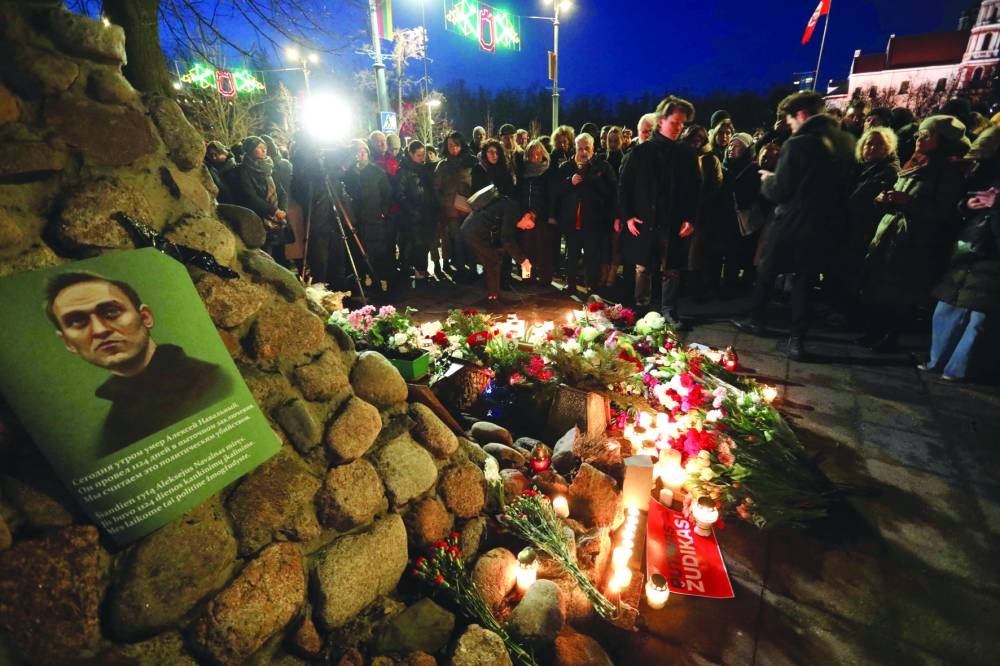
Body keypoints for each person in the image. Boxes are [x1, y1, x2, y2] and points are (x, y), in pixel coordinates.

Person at [45, 272, 231, 455]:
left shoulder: (213, 382)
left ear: (145, 317)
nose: (100, 330)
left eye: (111, 312)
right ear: (68, 342)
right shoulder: (113, 426)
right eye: (77, 321)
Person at [731, 91, 855, 360]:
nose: (790, 127)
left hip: (793, 221)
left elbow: (781, 189)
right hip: (826, 224)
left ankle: (757, 319)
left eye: (789, 122)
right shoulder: (845, 142)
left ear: (801, 115)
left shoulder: (798, 144)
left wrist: (767, 179)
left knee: (767, 269)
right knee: (805, 281)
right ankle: (797, 337)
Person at [859, 115, 968, 352]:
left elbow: (945, 212)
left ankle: (892, 335)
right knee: (881, 285)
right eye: (919, 134)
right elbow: (898, 193)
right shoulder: (915, 163)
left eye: (926, 135)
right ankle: (874, 329)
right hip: (893, 233)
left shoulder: (948, 173)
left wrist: (908, 202)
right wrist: (883, 199)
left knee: (902, 292)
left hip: (917, 240)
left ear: (943, 140)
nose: (919, 139)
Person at [920, 128, 1000, 381]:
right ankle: (937, 360)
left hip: (993, 253)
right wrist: (967, 206)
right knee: (947, 309)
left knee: (978, 318)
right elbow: (961, 202)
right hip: (970, 247)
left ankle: (957, 368)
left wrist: (996, 207)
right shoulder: (987, 169)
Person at [618, 96, 701, 323]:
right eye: (675, 122)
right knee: (642, 268)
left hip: (672, 222)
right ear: (662, 121)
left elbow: (695, 190)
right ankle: (641, 307)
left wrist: (690, 219)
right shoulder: (640, 153)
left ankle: (668, 309)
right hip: (645, 221)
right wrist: (628, 218)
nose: (679, 128)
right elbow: (624, 187)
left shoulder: (686, 155)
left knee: (671, 269)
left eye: (682, 124)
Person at [840, 126, 900, 316]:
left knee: (856, 271)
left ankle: (849, 312)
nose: (872, 148)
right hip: (851, 227)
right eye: (869, 144)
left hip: (866, 229)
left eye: (878, 144)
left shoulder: (889, 171)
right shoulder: (858, 168)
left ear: (888, 147)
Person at [551, 133, 617, 295]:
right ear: (575, 148)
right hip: (571, 221)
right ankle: (570, 284)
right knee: (571, 255)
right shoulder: (565, 167)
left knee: (592, 257)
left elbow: (612, 192)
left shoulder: (603, 167)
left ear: (593, 149)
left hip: (593, 221)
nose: (583, 152)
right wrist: (569, 182)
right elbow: (555, 192)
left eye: (587, 148)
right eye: (580, 148)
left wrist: (596, 179)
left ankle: (591, 285)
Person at [461, 191, 534, 301]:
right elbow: (507, 239)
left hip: (471, 229)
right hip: (475, 233)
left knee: (492, 262)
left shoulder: (512, 206)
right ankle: (493, 297)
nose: (525, 228)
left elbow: (500, 232)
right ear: (527, 215)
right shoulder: (513, 210)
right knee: (494, 261)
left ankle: (492, 295)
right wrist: (523, 260)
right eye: (528, 225)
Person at [342, 139, 392, 291]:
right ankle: (362, 278)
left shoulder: (377, 172)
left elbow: (387, 193)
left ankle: (379, 278)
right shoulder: (349, 174)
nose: (361, 155)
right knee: (358, 249)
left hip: (374, 216)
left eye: (363, 152)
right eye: (358, 152)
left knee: (376, 249)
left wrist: (383, 211)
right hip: (356, 218)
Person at [716, 132, 762, 297]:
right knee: (730, 254)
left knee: (747, 253)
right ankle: (729, 287)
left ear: (747, 149)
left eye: (737, 146)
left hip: (747, 219)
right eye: (730, 145)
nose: (731, 149)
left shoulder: (753, 168)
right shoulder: (724, 167)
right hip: (728, 219)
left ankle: (746, 287)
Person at [682, 124, 724, 301]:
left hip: (702, 213)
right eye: (692, 139)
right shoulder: (683, 157)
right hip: (683, 211)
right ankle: (684, 288)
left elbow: (715, 186)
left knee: (697, 254)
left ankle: (696, 291)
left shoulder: (710, 159)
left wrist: (699, 202)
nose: (696, 143)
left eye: (699, 139)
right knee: (684, 253)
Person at [234, 135, 290, 265]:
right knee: (266, 256)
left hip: (277, 219)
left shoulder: (269, 168)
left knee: (281, 255)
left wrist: (283, 210)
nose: (263, 150)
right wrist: (274, 210)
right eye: (259, 148)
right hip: (261, 219)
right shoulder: (243, 171)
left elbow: (281, 192)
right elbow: (250, 197)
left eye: (264, 147)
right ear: (250, 150)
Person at [434, 131, 478, 279]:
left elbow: (477, 184)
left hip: (469, 209)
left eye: (456, 145)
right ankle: (460, 270)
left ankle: (472, 269)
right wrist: (445, 203)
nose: (453, 149)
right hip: (451, 210)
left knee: (470, 239)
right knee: (457, 240)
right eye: (450, 146)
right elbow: (437, 188)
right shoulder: (443, 165)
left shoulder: (471, 162)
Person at [397, 140, 439, 281]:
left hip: (427, 213)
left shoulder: (425, 168)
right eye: (419, 155)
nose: (422, 158)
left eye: (424, 154)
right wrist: (412, 210)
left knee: (425, 244)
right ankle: (419, 274)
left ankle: (422, 272)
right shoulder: (404, 171)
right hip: (414, 216)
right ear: (411, 154)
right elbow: (400, 195)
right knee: (418, 246)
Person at [517, 139, 553, 286]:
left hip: (542, 216)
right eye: (532, 154)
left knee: (543, 248)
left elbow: (550, 196)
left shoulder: (547, 171)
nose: (535, 157)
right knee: (527, 249)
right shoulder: (524, 172)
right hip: (526, 216)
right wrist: (526, 213)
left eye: (538, 154)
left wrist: (537, 212)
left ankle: (545, 278)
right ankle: (527, 277)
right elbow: (519, 193)